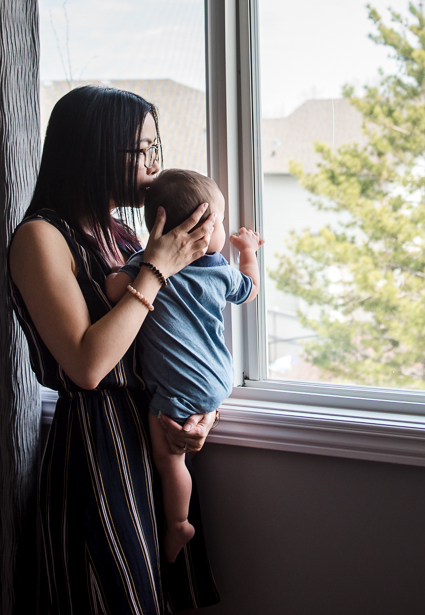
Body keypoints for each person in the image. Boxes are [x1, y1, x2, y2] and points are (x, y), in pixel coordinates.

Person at [8, 85, 221, 614]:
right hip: (98, 446)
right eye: (142, 151)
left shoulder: (126, 235)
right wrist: (156, 267)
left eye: (157, 150)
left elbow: (188, 333)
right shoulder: (41, 237)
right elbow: (86, 365)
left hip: (153, 428)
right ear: (95, 150)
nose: (154, 166)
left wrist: (201, 411)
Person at [105, 169, 260, 564]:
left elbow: (111, 291)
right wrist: (247, 253)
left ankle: (177, 523)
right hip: (217, 378)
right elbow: (250, 290)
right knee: (179, 451)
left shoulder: (146, 264)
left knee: (168, 458)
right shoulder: (218, 271)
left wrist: (137, 269)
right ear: (203, 231)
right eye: (220, 222)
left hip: (179, 385)